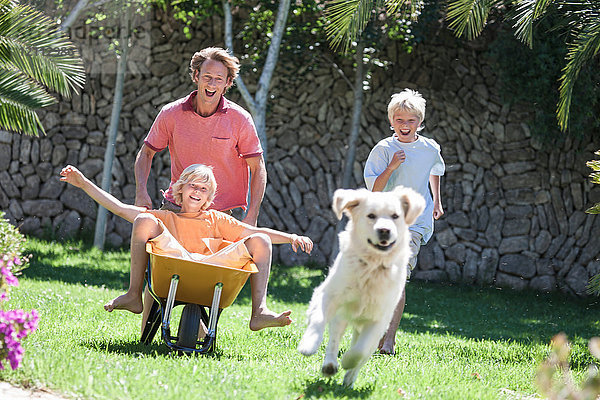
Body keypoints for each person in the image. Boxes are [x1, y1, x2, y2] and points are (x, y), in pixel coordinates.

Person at [60, 164, 313, 331]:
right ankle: (134, 294)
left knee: (261, 241)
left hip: (211, 273)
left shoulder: (217, 219)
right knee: (143, 220)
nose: (198, 191)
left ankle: (258, 312)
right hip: (173, 269)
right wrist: (83, 183)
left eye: (204, 189)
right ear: (180, 189)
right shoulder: (166, 219)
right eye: (193, 185)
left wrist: (290, 237)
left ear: (209, 197)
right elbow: (119, 208)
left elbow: (255, 232)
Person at [135, 47, 266, 226]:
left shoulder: (240, 119)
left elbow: (258, 168)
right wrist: (141, 191)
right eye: (207, 76)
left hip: (222, 215)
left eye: (219, 79)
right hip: (177, 207)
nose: (212, 84)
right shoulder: (171, 113)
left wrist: (252, 215)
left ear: (227, 82)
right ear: (196, 76)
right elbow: (146, 153)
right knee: (146, 237)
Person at [363, 88, 445, 354]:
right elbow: (374, 190)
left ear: (420, 122)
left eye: (411, 120)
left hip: (415, 222)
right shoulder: (384, 149)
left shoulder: (430, 148)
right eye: (400, 120)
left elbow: (435, 170)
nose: (405, 125)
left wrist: (438, 200)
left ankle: (388, 341)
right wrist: (391, 168)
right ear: (391, 121)